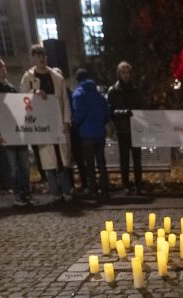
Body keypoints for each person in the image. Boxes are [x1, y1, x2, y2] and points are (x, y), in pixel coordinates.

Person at [20, 45, 72, 202]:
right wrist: (34, 92)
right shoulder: (28, 78)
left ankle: (67, 190)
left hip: (57, 122)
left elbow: (65, 100)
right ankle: (55, 192)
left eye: (43, 56)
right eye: (38, 56)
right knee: (48, 161)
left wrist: (66, 121)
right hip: (42, 124)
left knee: (62, 159)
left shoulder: (57, 77)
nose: (42, 59)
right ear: (33, 59)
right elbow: (22, 99)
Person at [0, 54, 32, 206]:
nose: (4, 68)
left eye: (3, 65)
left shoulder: (11, 88)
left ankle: (27, 193)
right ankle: (18, 195)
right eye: (0, 66)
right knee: (13, 166)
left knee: (24, 165)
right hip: (4, 133)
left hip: (18, 133)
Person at [71, 67, 109, 200]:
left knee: (90, 164)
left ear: (77, 80)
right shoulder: (99, 94)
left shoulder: (78, 94)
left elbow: (79, 114)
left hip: (86, 134)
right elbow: (106, 114)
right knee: (101, 163)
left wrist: (74, 123)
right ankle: (105, 190)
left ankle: (93, 190)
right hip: (100, 133)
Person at [107, 61, 143, 195]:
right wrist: (125, 112)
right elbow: (110, 111)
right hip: (122, 130)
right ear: (118, 74)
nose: (126, 75)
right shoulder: (113, 91)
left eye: (128, 72)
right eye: (123, 72)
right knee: (124, 160)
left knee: (137, 160)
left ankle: (139, 185)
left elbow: (141, 108)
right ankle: (126, 186)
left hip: (136, 129)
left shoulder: (136, 90)